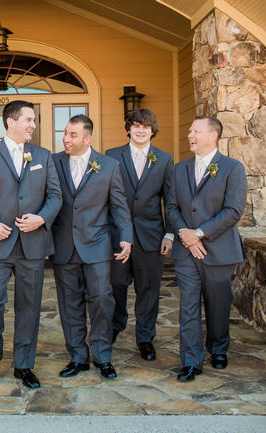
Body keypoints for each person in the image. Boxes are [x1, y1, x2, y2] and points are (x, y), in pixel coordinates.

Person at [0, 100, 62, 389]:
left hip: (33, 243)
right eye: (29, 120)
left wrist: (41, 219)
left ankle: (24, 363)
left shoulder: (44, 156)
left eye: (34, 120)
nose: (33, 125)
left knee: (29, 306)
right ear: (11, 121)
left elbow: (55, 196)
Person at [51, 115, 132, 379]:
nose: (66, 138)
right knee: (69, 304)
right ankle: (77, 356)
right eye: (65, 133)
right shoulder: (53, 162)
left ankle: (102, 356)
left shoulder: (108, 166)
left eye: (73, 135)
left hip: (97, 246)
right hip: (63, 245)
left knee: (101, 300)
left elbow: (119, 205)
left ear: (87, 138)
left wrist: (126, 237)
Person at [167, 115, 247, 381]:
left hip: (219, 248)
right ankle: (191, 361)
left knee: (218, 303)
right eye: (190, 130)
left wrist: (199, 234)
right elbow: (171, 207)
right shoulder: (179, 169)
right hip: (186, 251)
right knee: (188, 305)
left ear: (213, 135)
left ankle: (218, 348)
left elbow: (233, 211)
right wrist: (185, 235)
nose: (190, 135)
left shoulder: (232, 168)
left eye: (195, 131)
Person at [105, 109, 175, 361]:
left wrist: (170, 234)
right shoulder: (112, 156)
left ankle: (145, 337)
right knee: (115, 285)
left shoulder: (164, 160)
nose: (140, 130)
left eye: (146, 126)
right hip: (117, 236)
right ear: (129, 128)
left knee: (149, 289)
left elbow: (171, 200)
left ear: (152, 130)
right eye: (136, 125)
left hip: (151, 236)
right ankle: (115, 325)